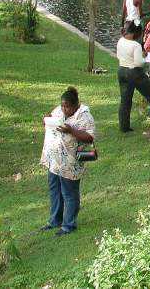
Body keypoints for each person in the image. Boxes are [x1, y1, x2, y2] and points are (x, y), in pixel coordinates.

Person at [40, 87, 94, 236]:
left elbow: (89, 137)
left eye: (67, 106)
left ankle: (68, 224)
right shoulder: (59, 110)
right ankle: (54, 220)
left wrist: (71, 131)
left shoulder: (85, 116)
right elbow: (52, 118)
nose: (64, 109)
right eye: (62, 105)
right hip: (55, 160)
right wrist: (46, 120)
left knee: (69, 193)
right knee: (54, 190)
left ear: (76, 104)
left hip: (70, 163)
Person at [116, 21, 150, 132]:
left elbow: (119, 55)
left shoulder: (120, 41)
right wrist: (143, 56)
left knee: (125, 100)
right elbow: (139, 63)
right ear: (135, 33)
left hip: (121, 70)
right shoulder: (135, 45)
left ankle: (124, 127)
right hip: (134, 72)